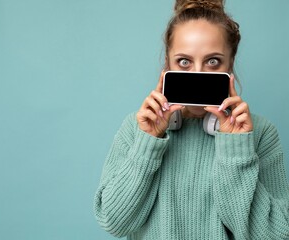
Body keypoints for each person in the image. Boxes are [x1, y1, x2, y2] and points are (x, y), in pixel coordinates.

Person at [93, 0, 289, 239]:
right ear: (167, 65)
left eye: (213, 61)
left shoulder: (260, 133)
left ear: (231, 64)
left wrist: (236, 151)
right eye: (184, 62)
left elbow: (275, 235)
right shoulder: (136, 129)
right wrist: (147, 143)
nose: (197, 75)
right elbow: (114, 223)